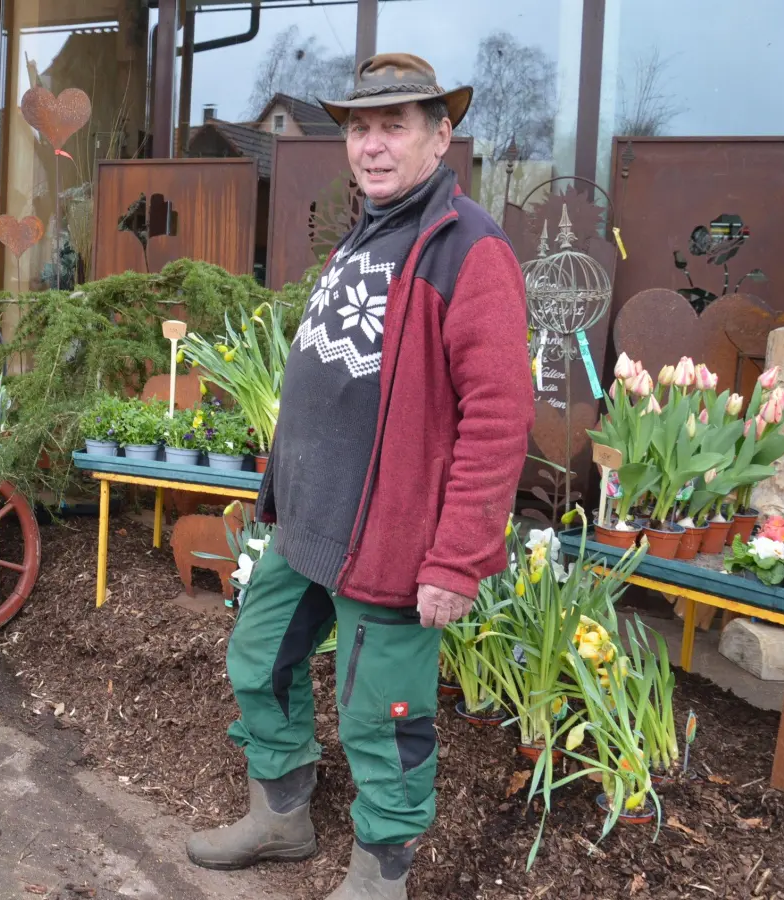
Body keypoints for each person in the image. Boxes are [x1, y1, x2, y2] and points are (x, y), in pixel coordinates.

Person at [184, 54, 534, 900]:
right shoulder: (368, 230)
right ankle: (282, 816)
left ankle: (382, 873)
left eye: (394, 126)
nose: (371, 146)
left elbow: (499, 418)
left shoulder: (469, 249)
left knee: (386, 714)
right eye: (358, 128)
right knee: (257, 659)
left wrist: (456, 562)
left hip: (391, 537)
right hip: (310, 526)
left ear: (440, 136)